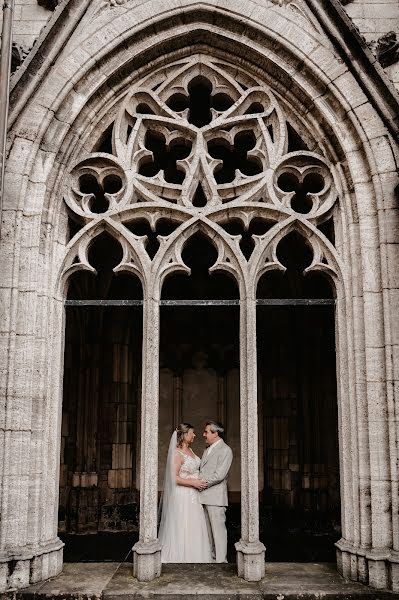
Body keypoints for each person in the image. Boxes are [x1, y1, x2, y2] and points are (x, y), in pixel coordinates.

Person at [158, 423, 212, 562]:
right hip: (182, 494)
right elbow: (174, 478)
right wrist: (193, 483)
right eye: (191, 433)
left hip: (194, 495)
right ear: (183, 436)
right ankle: (181, 556)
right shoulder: (177, 453)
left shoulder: (191, 450)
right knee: (183, 524)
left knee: (194, 524)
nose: (194, 435)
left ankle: (196, 556)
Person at [199, 420, 233, 563]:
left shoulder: (226, 450)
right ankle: (212, 559)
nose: (203, 434)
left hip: (215, 497)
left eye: (206, 432)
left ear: (216, 433)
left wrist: (201, 484)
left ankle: (221, 562)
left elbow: (219, 475)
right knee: (207, 532)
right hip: (203, 496)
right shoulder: (207, 449)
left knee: (218, 532)